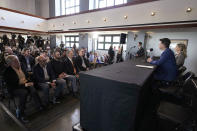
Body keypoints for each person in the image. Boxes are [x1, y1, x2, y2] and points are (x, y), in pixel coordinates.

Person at [4, 55, 42, 122]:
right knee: (24, 93)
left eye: (18, 60)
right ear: (10, 63)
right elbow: (13, 84)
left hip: (24, 84)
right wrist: (25, 84)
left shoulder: (22, 66)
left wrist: (29, 82)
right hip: (15, 88)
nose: (18, 62)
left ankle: (39, 105)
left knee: (32, 88)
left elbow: (27, 75)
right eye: (16, 61)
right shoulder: (7, 71)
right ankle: (21, 113)